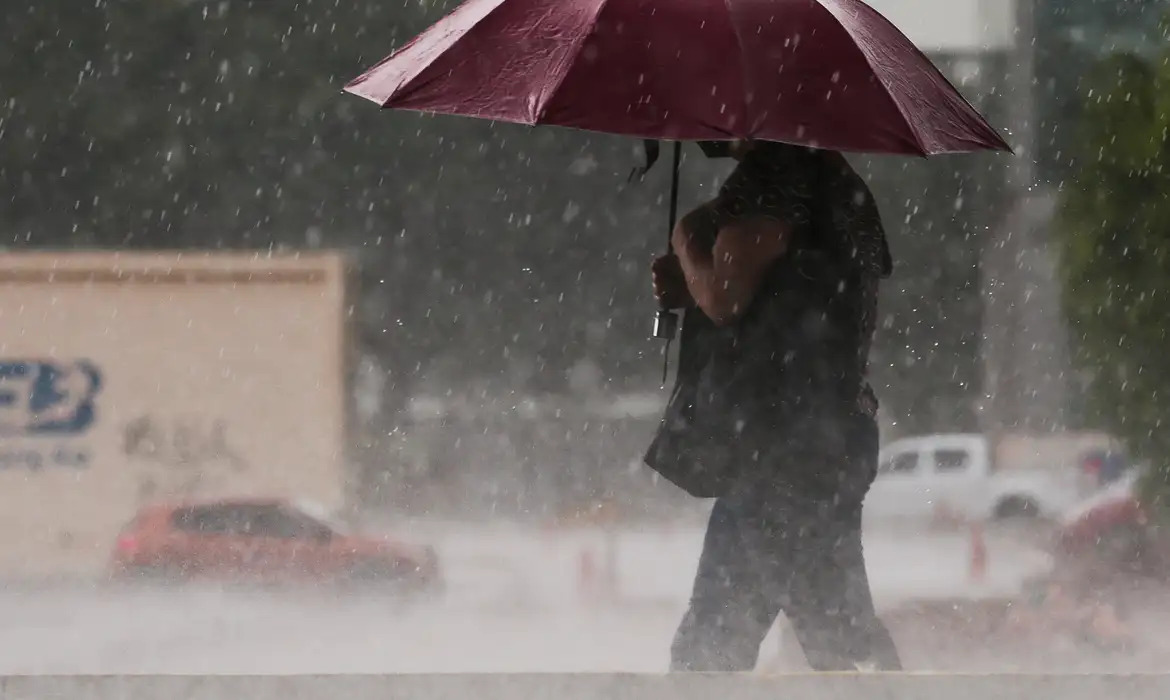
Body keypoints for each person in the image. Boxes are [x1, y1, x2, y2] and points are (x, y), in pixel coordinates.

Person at [647, 139, 902, 672]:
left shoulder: (775, 175)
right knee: (722, 640)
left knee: (832, 638)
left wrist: (688, 242)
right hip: (820, 437)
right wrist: (695, 277)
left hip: (780, 446)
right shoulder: (837, 180)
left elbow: (724, 296)